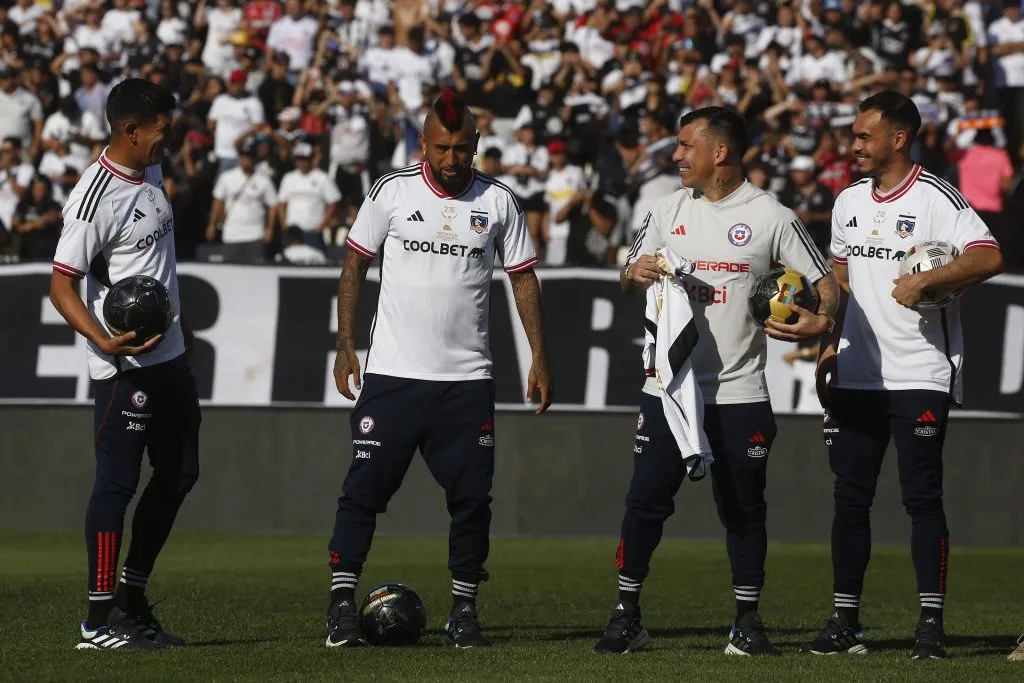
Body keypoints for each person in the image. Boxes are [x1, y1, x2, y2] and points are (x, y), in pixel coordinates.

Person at [594, 106, 839, 657]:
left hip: (739, 392)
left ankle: (747, 624)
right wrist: (630, 273)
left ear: (719, 152)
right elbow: (629, 272)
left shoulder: (771, 215)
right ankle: (626, 614)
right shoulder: (665, 209)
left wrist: (820, 323)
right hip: (668, 389)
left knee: (745, 509)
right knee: (645, 502)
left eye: (685, 146)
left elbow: (826, 285)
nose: (676, 155)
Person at [324, 89, 552, 649]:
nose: (452, 160)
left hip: (466, 383)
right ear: (422, 143)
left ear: (476, 145)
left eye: (461, 149)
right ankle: (340, 607)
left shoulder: (500, 202)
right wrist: (345, 342)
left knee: (472, 500)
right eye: (441, 148)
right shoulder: (391, 192)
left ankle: (464, 612)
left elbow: (523, 278)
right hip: (394, 376)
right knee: (362, 493)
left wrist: (540, 356)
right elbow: (354, 263)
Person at [803, 91, 1003, 660]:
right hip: (856, 372)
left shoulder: (939, 198)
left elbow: (988, 256)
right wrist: (825, 344)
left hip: (918, 373)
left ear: (898, 138)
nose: (854, 145)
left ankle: (930, 628)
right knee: (850, 500)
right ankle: (845, 623)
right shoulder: (846, 203)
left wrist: (924, 278)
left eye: (864, 136)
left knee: (922, 499)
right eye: (854, 135)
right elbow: (838, 282)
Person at [48, 78, 200, 651]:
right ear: (130, 131)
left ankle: (133, 600)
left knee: (180, 473)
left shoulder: (150, 169)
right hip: (124, 370)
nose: (169, 139)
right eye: (161, 132)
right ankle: (96, 622)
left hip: (171, 357)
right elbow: (61, 286)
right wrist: (103, 342)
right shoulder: (92, 201)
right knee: (116, 485)